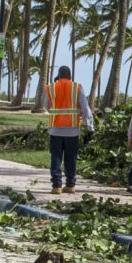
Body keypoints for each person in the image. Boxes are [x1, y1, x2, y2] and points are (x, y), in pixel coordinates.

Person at [42, 66, 94, 194]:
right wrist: (90, 126)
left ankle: (56, 186)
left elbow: (46, 105)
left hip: (55, 130)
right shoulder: (77, 87)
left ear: (58, 75)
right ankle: (70, 185)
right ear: (70, 76)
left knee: (56, 157)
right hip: (72, 130)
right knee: (71, 158)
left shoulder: (50, 87)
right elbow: (85, 108)